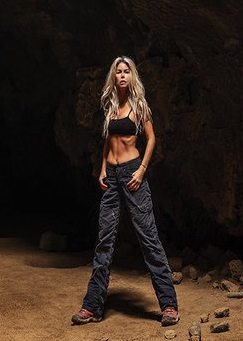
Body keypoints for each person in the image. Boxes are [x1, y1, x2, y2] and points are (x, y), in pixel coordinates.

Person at [71, 55, 180, 328]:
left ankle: (169, 305)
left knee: (149, 237)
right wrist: (102, 169)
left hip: (133, 174)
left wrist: (142, 169)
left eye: (126, 71)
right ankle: (92, 306)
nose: (122, 75)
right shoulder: (109, 107)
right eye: (118, 71)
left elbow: (152, 138)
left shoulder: (139, 106)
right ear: (114, 76)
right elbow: (108, 140)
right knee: (104, 241)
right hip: (112, 176)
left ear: (132, 77)